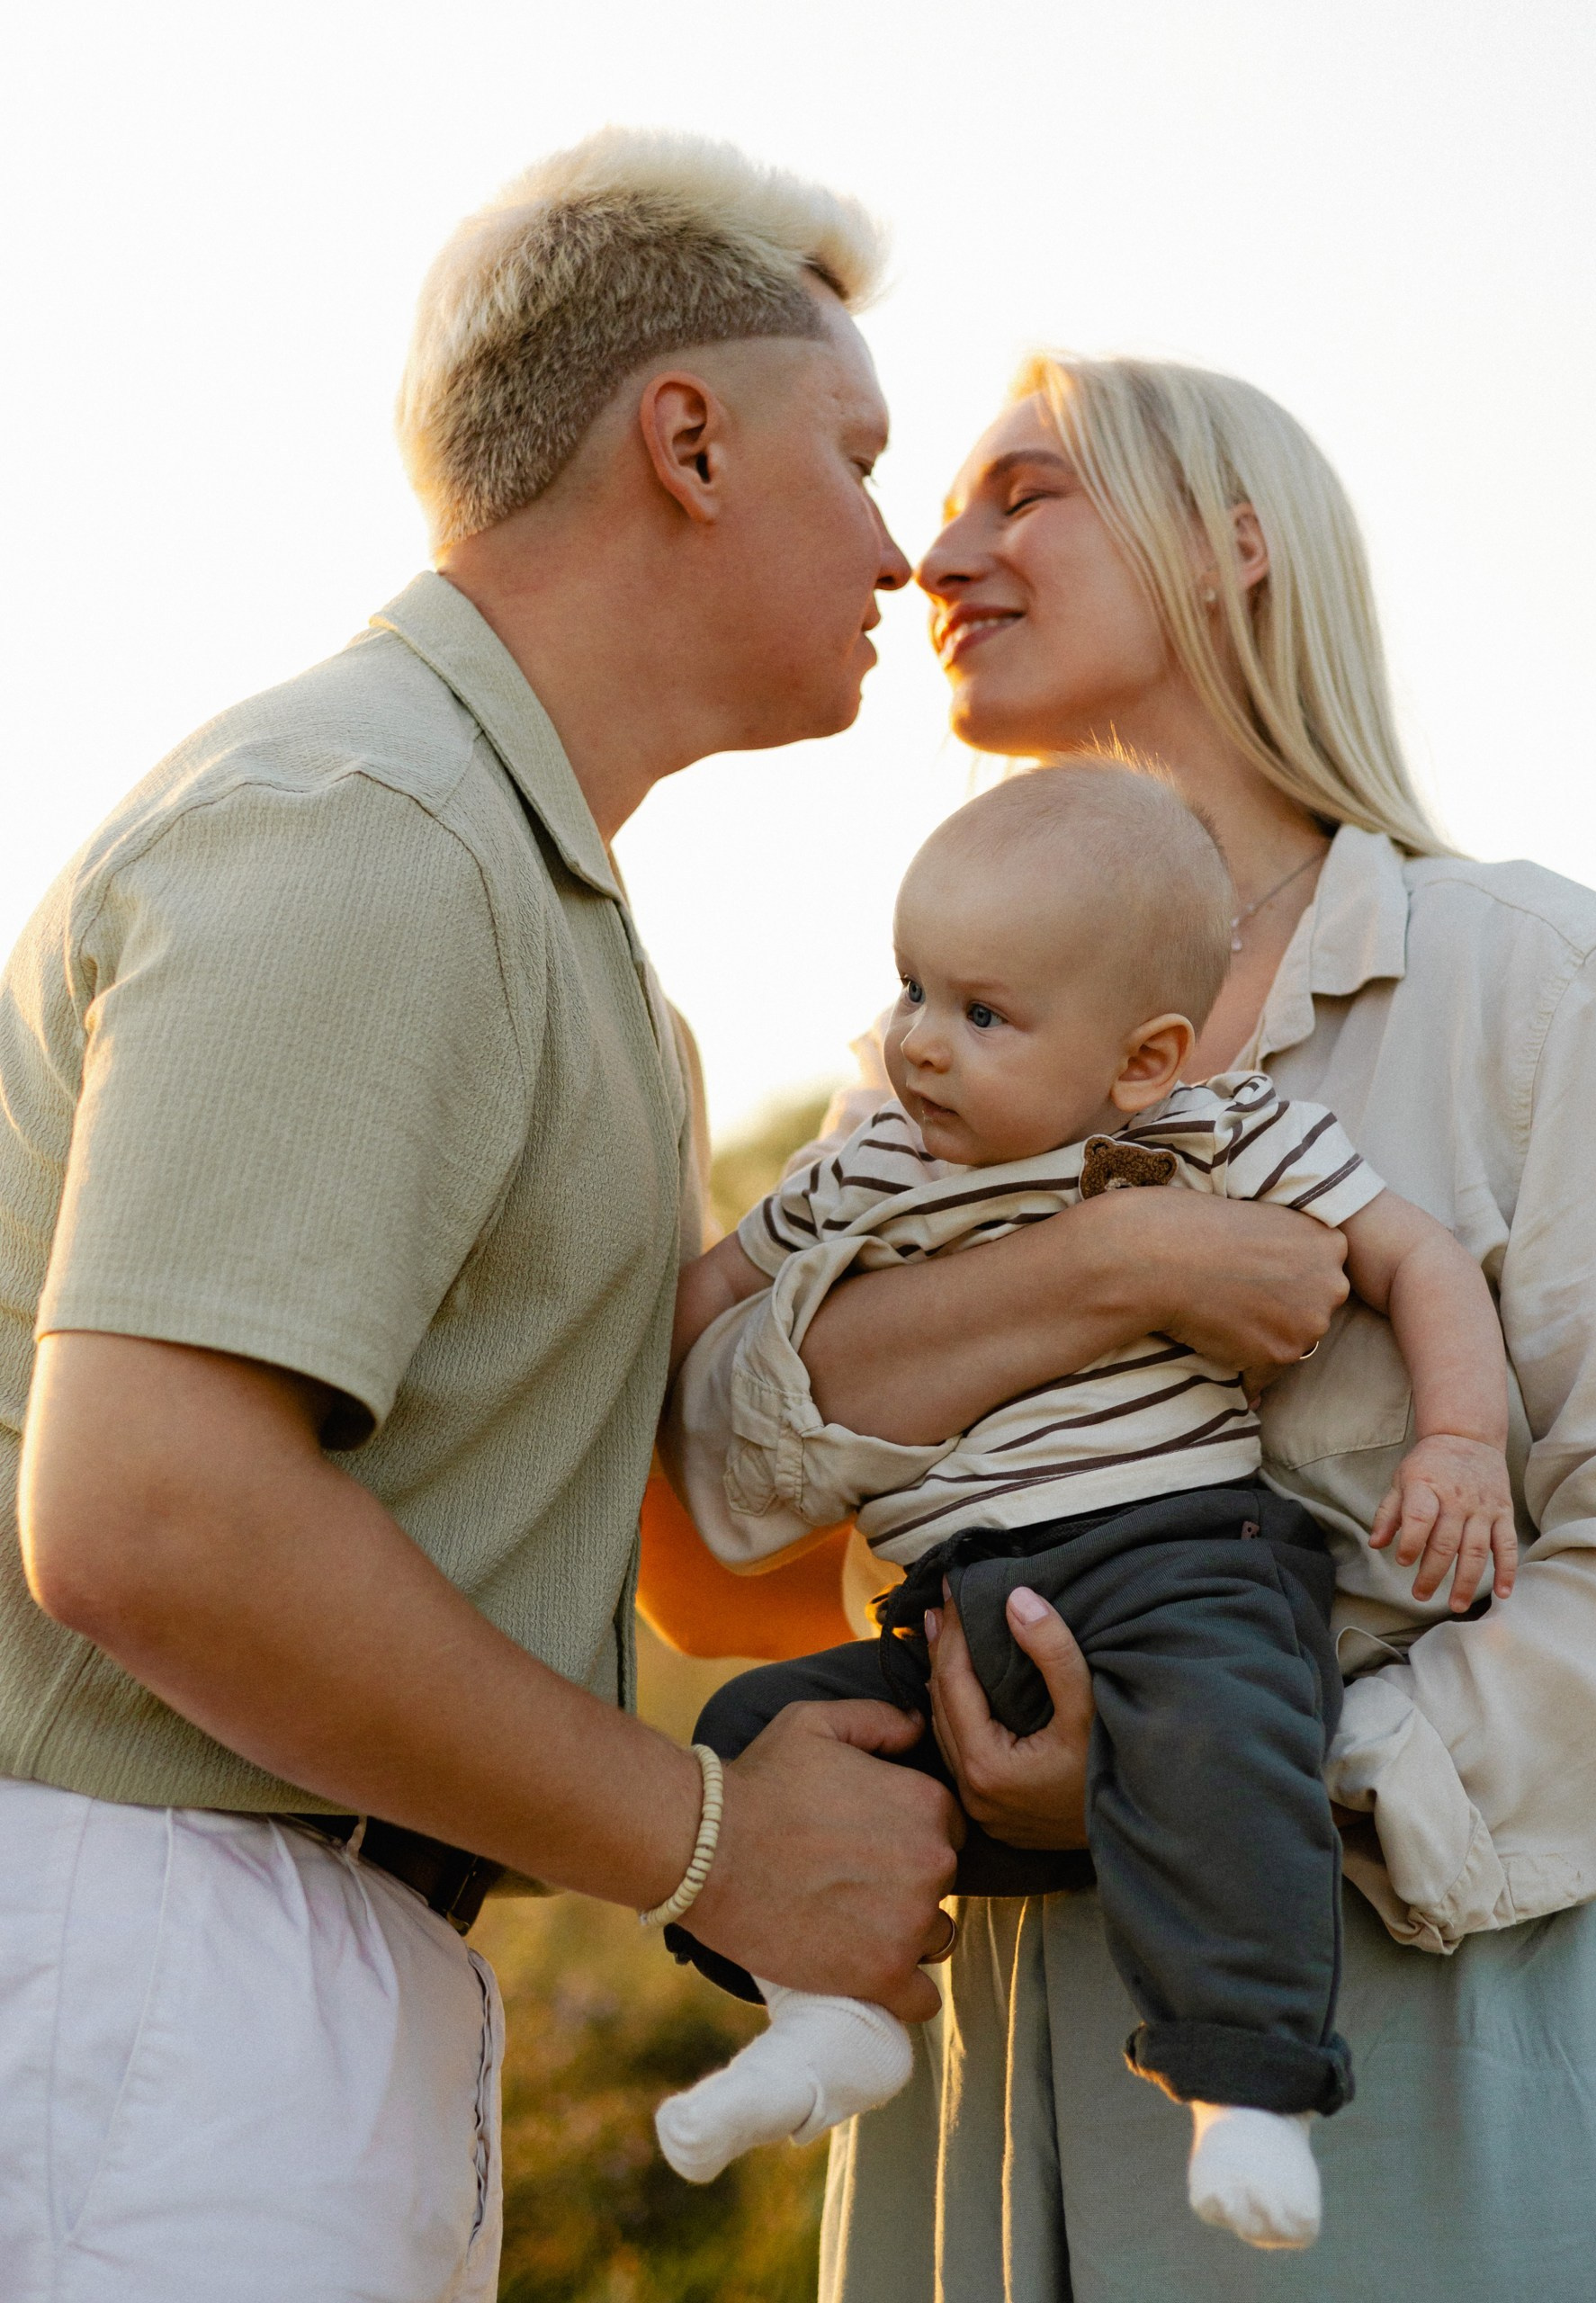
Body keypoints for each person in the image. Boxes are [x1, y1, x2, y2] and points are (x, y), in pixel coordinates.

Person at [668, 356, 1596, 2299]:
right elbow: (727, 1494)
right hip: (995, 2096)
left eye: (1024, 492)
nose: (938, 552)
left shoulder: (1526, 975)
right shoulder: (917, 1074)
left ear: (1233, 544)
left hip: (1443, 2066)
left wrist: (1203, 1787)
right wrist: (1108, 1268)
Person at [0, 127, 964, 2303]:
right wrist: (712, 1842)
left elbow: (681, 1555)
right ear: (687, 444)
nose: (899, 547)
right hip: (163, 1941)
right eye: (857, 457)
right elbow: (150, 1515)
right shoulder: (367, 824)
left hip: (318, 1966)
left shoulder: (572, 940)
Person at [654, 762, 1518, 2250]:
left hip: (1174, 1562)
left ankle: (1247, 2082)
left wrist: (1461, 1440)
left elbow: (1415, 1257)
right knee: (753, 1738)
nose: (921, 1041)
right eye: (913, 988)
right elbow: (706, 1309)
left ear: (1142, 1059)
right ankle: (831, 2013)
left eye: (984, 1014)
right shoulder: (869, 1163)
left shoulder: (1206, 1135)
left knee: (1230, 1739)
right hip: (950, 1608)